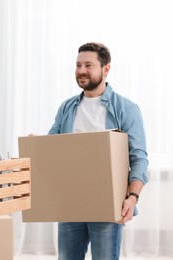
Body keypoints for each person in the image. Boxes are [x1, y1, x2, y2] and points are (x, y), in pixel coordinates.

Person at [48, 42, 148, 260]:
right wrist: (36, 146)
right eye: (78, 65)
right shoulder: (66, 108)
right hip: (70, 203)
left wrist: (132, 197)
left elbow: (139, 158)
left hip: (107, 205)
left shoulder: (126, 108)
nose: (81, 70)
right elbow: (51, 150)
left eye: (88, 65)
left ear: (106, 69)